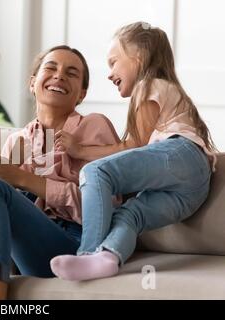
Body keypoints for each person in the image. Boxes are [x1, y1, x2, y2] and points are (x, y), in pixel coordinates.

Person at [50, 22, 217, 281]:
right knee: (130, 214)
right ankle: (107, 257)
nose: (109, 74)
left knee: (94, 172)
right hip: (193, 190)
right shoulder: (166, 89)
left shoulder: (149, 84)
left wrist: (79, 149)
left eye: (113, 62)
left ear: (138, 60)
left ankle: (86, 254)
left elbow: (134, 145)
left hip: (182, 155)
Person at [0, 45, 120, 299]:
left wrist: (22, 179)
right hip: (24, 250)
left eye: (71, 73)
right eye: (50, 68)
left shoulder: (94, 127)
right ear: (32, 83)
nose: (59, 75)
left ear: (81, 94)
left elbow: (107, 208)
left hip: (74, 245)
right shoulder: (16, 141)